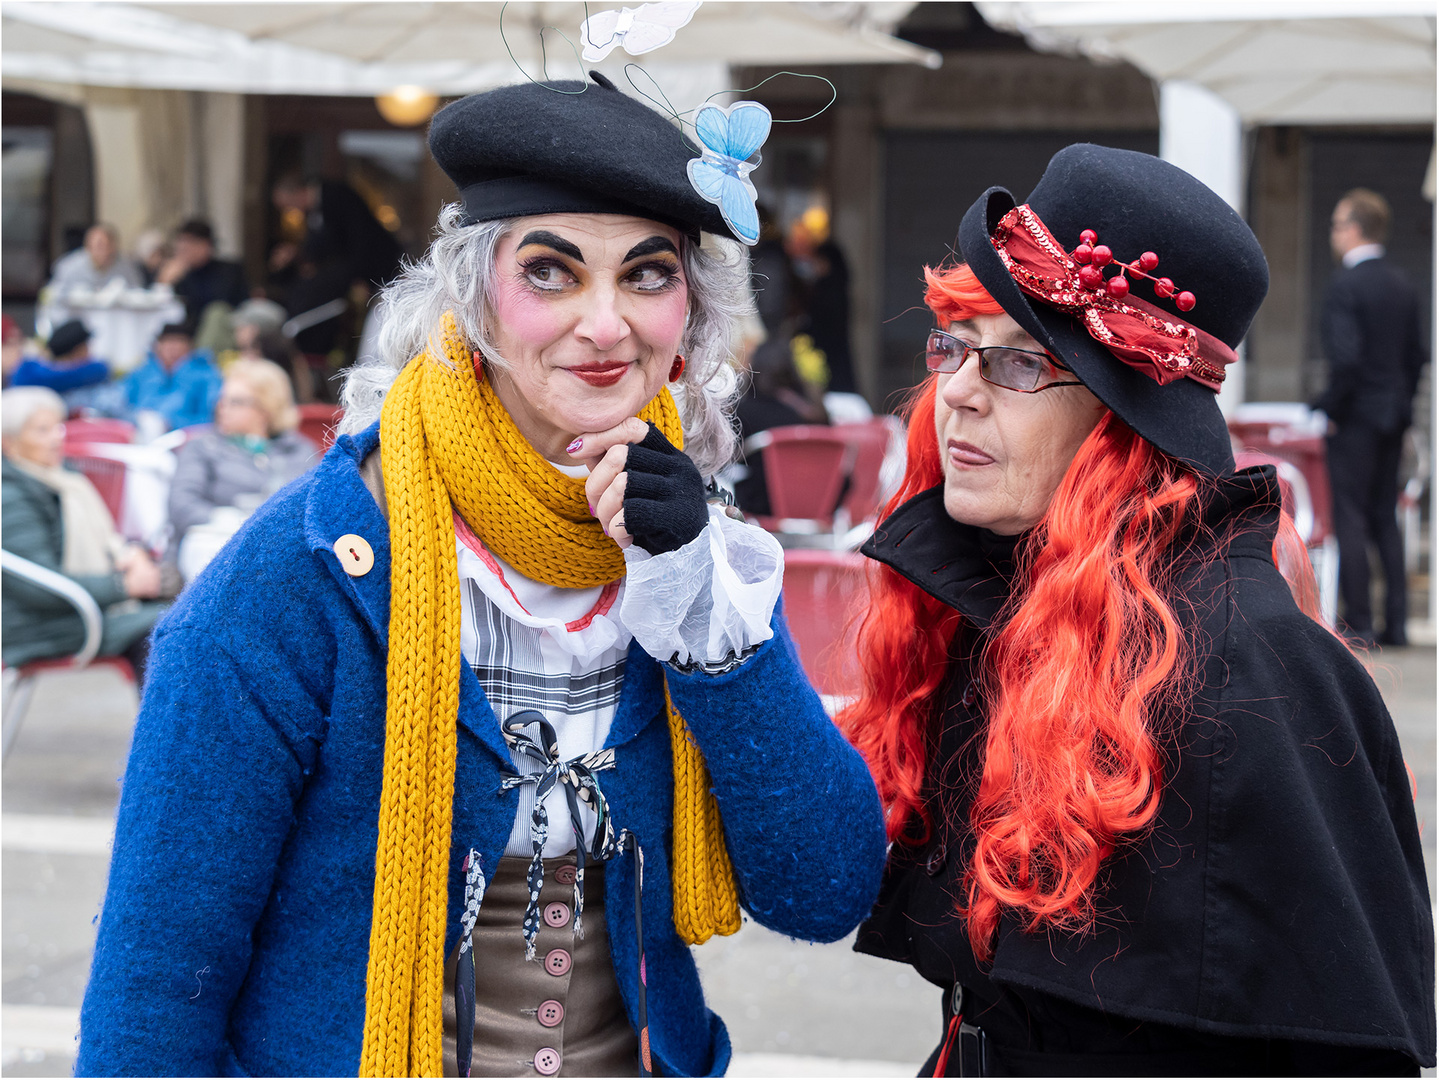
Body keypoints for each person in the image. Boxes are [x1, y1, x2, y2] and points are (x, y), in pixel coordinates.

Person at [76, 72, 885, 1078]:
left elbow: (824, 889)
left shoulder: (695, 554)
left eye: (645, 274)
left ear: (692, 315)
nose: (606, 324)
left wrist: (699, 614)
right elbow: (152, 1001)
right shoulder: (288, 583)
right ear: (472, 302)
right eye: (550, 272)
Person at [842, 145, 1433, 1075]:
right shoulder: (1003, 594)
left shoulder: (1255, 665)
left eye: (1019, 365)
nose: (954, 392)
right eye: (954, 345)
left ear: (1120, 422)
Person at [1313, 188, 1428, 647]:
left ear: (1354, 229)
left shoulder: (1345, 286)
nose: (1333, 234)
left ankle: (1358, 621)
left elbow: (1346, 362)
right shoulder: (1403, 284)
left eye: (1338, 224)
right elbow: (1417, 356)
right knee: (1385, 516)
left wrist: (1329, 409)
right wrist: (1401, 410)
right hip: (1393, 417)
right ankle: (1396, 624)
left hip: (1356, 418)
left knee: (1352, 516)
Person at [1, 387, 172, 683]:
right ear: (9, 444)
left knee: (187, 614)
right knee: (168, 630)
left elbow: (107, 541)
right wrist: (123, 586)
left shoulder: (62, 480)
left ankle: (179, 727)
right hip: (38, 625)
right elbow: (39, 587)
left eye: (57, 426)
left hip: (73, 610)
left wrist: (132, 556)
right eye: (42, 430)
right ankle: (168, 729)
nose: (57, 437)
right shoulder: (10, 496)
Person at [167, 357, 318, 564]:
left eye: (235, 401)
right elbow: (181, 504)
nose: (223, 407)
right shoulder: (203, 447)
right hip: (217, 547)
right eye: (222, 399)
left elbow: (314, 506)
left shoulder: (299, 450)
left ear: (266, 408)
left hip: (281, 550)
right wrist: (226, 520)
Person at [119, 323, 222, 433]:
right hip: (137, 435)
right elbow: (121, 404)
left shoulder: (206, 375)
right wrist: (137, 420)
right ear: (158, 346)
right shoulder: (142, 372)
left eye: (179, 342)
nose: (172, 347)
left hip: (182, 440)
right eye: (167, 341)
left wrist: (170, 424)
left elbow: (212, 419)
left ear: (190, 346)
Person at [155, 218, 249, 324]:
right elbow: (161, 312)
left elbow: (221, 305)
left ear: (206, 245)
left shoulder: (229, 271)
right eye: (181, 242)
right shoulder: (176, 274)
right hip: (181, 333)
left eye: (190, 242)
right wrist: (164, 283)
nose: (184, 248)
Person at [10, 320, 110, 403]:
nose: (89, 353)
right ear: (78, 351)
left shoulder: (28, 372)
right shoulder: (88, 376)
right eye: (86, 347)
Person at [46, 223, 142, 295]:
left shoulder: (126, 266)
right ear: (88, 247)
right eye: (100, 246)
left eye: (109, 246)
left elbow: (137, 293)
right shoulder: (69, 267)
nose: (106, 251)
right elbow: (53, 295)